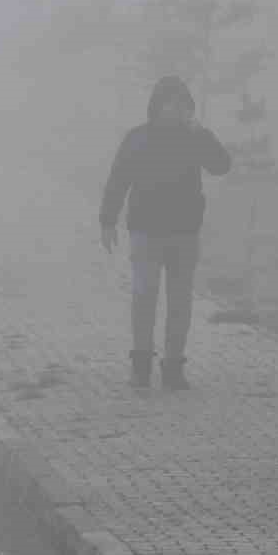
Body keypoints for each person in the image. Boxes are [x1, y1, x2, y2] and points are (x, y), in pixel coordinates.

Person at [99, 75, 231, 390]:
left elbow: (221, 165)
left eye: (184, 104)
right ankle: (140, 366)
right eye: (171, 103)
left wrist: (203, 134)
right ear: (157, 106)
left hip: (185, 234)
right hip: (146, 233)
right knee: (144, 298)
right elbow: (118, 179)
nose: (177, 109)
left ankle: (174, 367)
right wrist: (107, 220)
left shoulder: (195, 138)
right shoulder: (137, 138)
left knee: (180, 302)